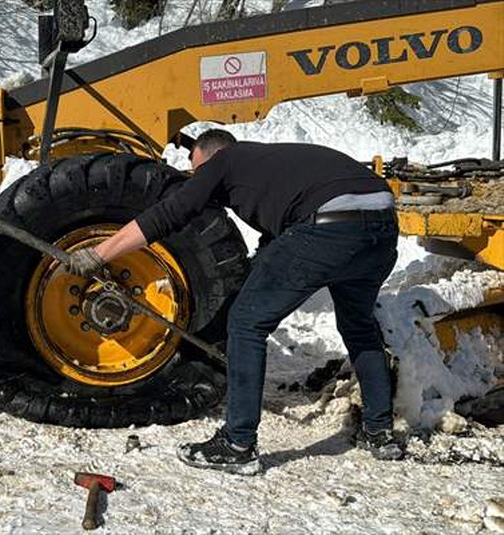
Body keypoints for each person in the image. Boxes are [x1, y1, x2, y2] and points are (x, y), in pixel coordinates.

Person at [67, 129, 404, 475]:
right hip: (380, 229)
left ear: (213, 156)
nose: (201, 179)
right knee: (359, 327)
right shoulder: (275, 162)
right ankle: (379, 434)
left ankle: (238, 443)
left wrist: (99, 254)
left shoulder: (225, 161)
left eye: (198, 170)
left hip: (328, 228)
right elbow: (279, 236)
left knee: (246, 323)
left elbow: (171, 213)